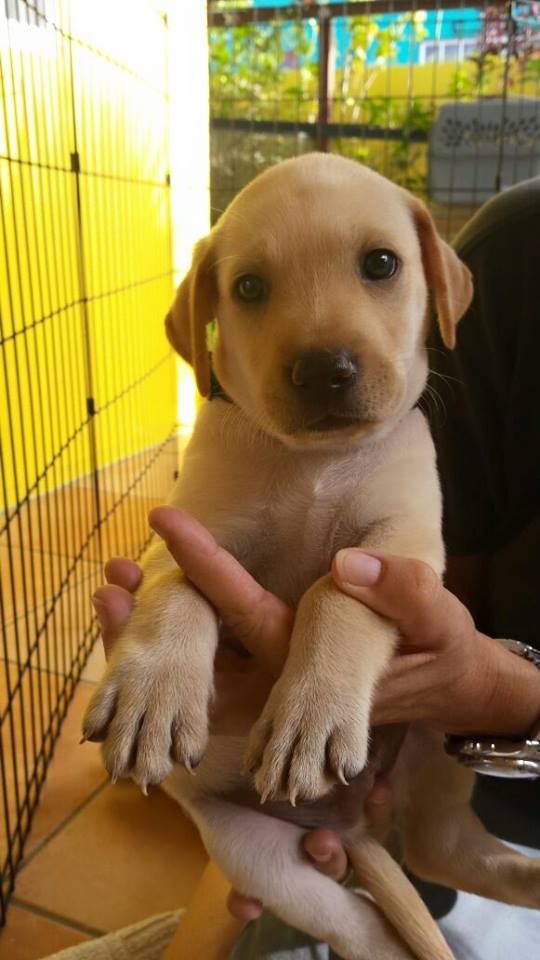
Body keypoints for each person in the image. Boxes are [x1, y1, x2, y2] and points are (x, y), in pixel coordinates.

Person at [92, 176, 540, 959]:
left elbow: (407, 563)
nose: (321, 352)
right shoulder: (225, 440)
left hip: (402, 750)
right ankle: (366, 936)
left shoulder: (407, 440)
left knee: (415, 698)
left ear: (440, 286)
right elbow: (184, 562)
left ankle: (446, 844)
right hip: (245, 790)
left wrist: (340, 626)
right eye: (253, 288)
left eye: (377, 266)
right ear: (205, 322)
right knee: (236, 834)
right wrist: (166, 637)